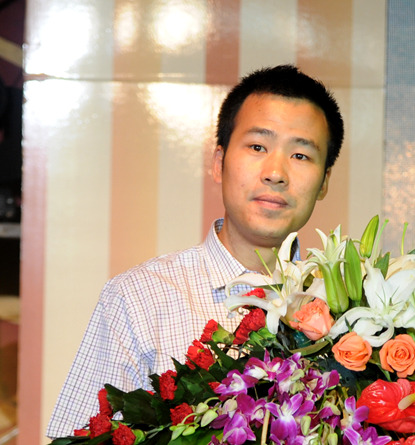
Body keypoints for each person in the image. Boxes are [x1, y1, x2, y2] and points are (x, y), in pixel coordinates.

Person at [46, 65, 344, 438]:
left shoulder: (351, 308)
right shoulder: (138, 298)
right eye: (257, 147)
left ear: (324, 182)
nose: (276, 172)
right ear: (219, 163)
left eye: (300, 155)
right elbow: (81, 439)